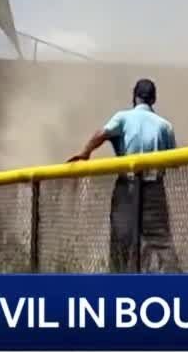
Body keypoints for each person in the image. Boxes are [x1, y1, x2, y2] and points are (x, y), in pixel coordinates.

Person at [68, 78, 181, 273]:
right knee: (161, 241)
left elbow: (100, 134)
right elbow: (175, 162)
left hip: (127, 188)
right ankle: (176, 286)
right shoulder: (165, 126)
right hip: (154, 188)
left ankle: (118, 282)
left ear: (135, 97)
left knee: (121, 239)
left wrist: (85, 153)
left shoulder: (123, 117)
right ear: (153, 99)